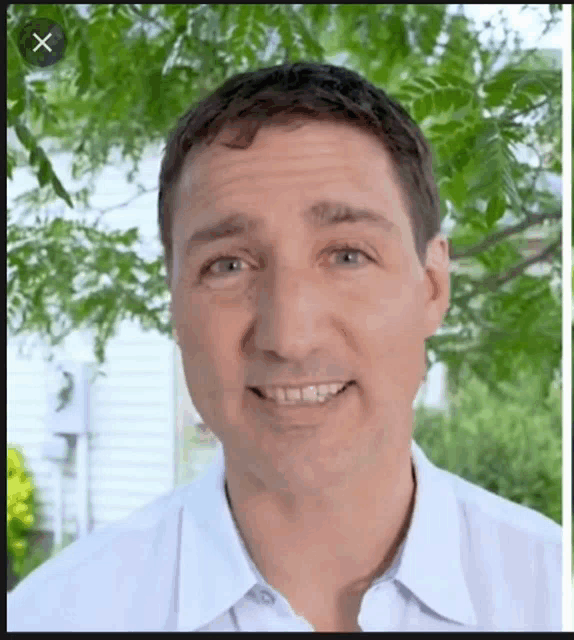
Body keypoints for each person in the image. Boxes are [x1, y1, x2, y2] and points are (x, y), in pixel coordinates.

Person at [8, 61, 561, 632]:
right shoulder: (51, 616)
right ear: (175, 307)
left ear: (432, 287)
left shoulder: (552, 591)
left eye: (348, 255)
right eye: (228, 265)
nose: (289, 338)